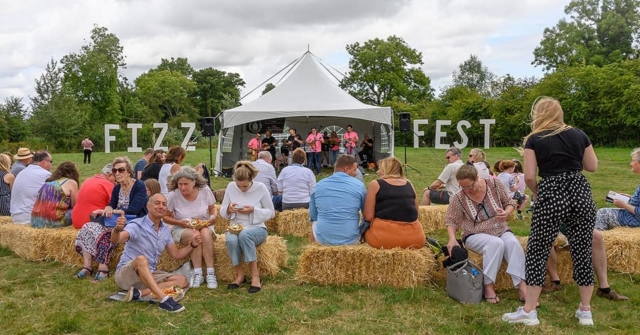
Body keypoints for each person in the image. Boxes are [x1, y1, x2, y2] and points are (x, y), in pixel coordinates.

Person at [503, 97, 598, 326]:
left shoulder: (534, 139)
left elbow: (528, 176)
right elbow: (592, 166)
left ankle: (529, 310)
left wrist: (537, 193)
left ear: (538, 114)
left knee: (538, 250)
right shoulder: (579, 134)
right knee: (583, 250)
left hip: (551, 192)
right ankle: (585, 311)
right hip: (579, 191)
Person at [446, 165, 526, 304]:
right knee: (496, 244)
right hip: (474, 233)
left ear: (477, 178)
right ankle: (488, 286)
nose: (466, 190)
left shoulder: (494, 184)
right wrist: (452, 239)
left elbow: (509, 202)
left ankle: (523, 286)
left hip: (500, 228)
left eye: (469, 186)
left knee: (513, 243)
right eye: (462, 187)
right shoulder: (458, 197)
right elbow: (451, 220)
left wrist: (506, 212)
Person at [112, 194, 197, 313]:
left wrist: (192, 245)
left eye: (164, 204)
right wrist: (116, 230)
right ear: (148, 206)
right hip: (126, 275)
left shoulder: (165, 230)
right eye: (157, 203)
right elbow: (117, 239)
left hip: (148, 274)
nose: (161, 206)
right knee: (141, 259)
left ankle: (139, 293)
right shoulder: (137, 225)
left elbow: (176, 254)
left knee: (182, 280)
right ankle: (164, 300)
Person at [75, 158, 148, 282]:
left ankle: (103, 268)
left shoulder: (139, 186)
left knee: (105, 233)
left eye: (121, 170)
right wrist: (108, 208)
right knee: (87, 227)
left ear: (129, 171)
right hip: (116, 220)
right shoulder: (117, 187)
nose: (117, 173)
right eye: (115, 170)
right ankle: (87, 266)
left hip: (134, 221)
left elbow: (134, 210)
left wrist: (111, 211)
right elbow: (111, 204)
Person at [220, 161, 275, 293]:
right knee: (231, 239)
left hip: (257, 227)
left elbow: (271, 212)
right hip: (236, 226)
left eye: (245, 186)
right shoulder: (231, 186)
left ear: (252, 179)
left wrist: (254, 211)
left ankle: (255, 276)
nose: (242, 189)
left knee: (245, 235)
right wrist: (228, 209)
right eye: (239, 186)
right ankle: (240, 275)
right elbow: (222, 210)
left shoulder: (261, 187)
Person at [163, 166, 219, 289]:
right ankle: (198, 273)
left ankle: (210, 272)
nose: (182, 187)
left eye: (186, 184)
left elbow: (212, 208)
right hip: (182, 227)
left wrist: (213, 217)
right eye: (180, 184)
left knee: (204, 234)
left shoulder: (205, 190)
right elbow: (165, 217)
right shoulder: (174, 194)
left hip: (204, 224)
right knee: (194, 236)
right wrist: (180, 222)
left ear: (194, 182)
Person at [544, 228, 628, 300]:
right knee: (547, 237)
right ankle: (555, 281)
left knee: (596, 236)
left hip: (570, 225)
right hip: (551, 225)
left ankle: (604, 288)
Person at [364, 157, 425, 249]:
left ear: (387, 169)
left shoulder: (375, 184)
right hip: (416, 239)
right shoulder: (409, 184)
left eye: (380, 168)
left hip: (384, 239)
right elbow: (416, 213)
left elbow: (368, 217)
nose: (377, 172)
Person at [309, 155, 366, 245]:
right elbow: (366, 214)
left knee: (314, 223)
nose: (356, 173)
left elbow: (313, 215)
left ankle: (314, 247)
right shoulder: (359, 186)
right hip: (351, 239)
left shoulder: (319, 185)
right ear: (346, 169)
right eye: (354, 170)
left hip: (322, 239)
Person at [595, 147, 640, 230]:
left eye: (633, 161)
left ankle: (598, 241)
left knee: (603, 213)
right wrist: (630, 198)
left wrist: (624, 205)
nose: (631, 163)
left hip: (635, 220)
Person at [30, 161, 80, 228]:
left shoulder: (48, 182)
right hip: (53, 222)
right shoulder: (71, 182)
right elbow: (75, 205)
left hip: (36, 221)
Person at [10, 151, 53, 224]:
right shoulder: (45, 174)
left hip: (15, 217)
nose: (51, 165)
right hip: (31, 218)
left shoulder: (22, 172)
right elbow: (56, 198)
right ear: (44, 162)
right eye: (50, 162)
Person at [72, 163, 115, 229]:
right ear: (110, 175)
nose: (117, 182)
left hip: (76, 221)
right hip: (91, 223)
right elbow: (116, 206)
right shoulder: (108, 185)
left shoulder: (87, 180)